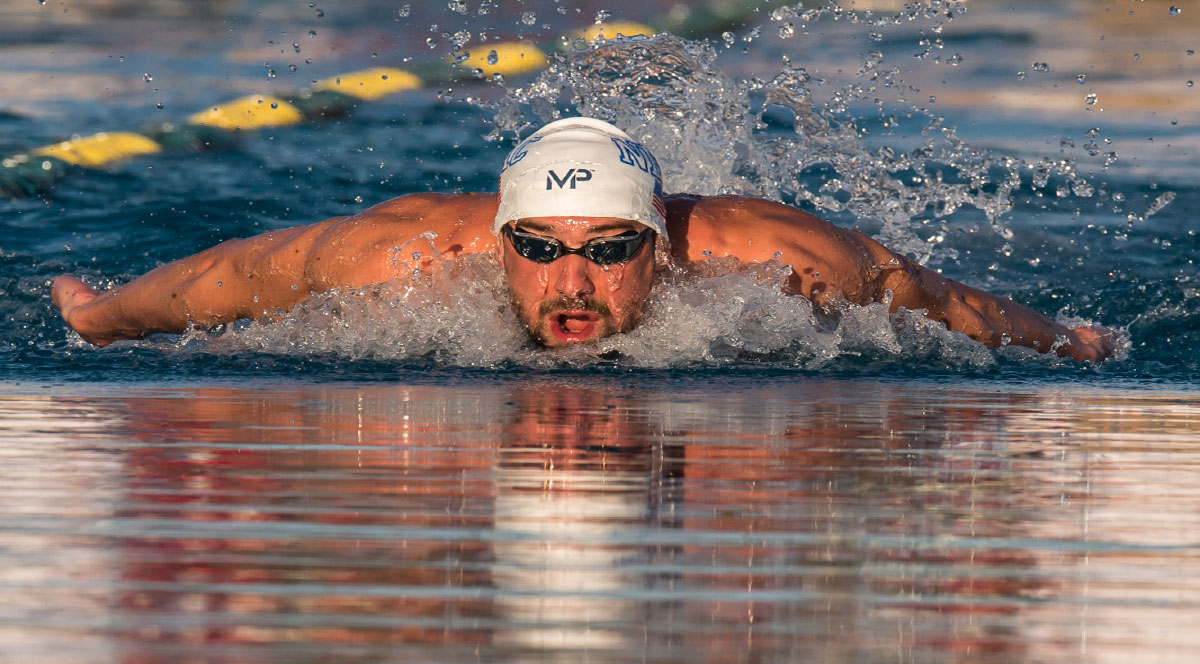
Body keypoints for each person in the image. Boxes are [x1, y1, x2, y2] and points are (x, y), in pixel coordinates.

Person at [51, 117, 1115, 361]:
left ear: (660, 248)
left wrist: (1071, 343)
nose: (573, 281)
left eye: (610, 250)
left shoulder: (776, 264)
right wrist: (100, 319)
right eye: (542, 247)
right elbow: (228, 277)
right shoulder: (409, 258)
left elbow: (937, 300)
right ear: (498, 241)